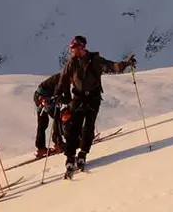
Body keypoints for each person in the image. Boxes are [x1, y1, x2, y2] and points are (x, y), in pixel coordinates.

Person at [54, 35, 135, 177]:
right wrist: (58, 94)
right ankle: (70, 156)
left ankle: (82, 153)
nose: (72, 51)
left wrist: (125, 64)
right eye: (71, 48)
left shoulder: (95, 60)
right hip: (78, 97)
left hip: (93, 97)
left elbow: (112, 66)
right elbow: (63, 79)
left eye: (74, 48)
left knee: (88, 126)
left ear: (82, 47)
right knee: (74, 127)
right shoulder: (71, 63)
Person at [32, 73, 65, 158]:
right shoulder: (62, 80)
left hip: (39, 98)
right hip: (46, 99)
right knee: (57, 118)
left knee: (42, 123)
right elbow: (59, 93)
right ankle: (58, 143)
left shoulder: (59, 78)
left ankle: (41, 148)